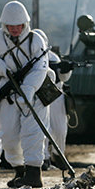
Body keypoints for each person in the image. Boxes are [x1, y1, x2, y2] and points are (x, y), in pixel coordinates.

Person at [0, 0, 49, 188]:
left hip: (35, 94)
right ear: (4, 24)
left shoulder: (35, 40)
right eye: (11, 25)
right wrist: (0, 67)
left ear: (24, 24)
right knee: (8, 136)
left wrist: (29, 88)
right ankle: (19, 170)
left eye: (18, 25)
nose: (15, 29)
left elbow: (41, 68)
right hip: (9, 93)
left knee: (33, 133)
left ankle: (34, 173)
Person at [33, 34, 72, 171]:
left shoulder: (53, 57)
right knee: (42, 128)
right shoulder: (29, 56)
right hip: (37, 95)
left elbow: (63, 78)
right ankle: (44, 157)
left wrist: (66, 70)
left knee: (60, 129)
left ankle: (59, 154)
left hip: (55, 94)